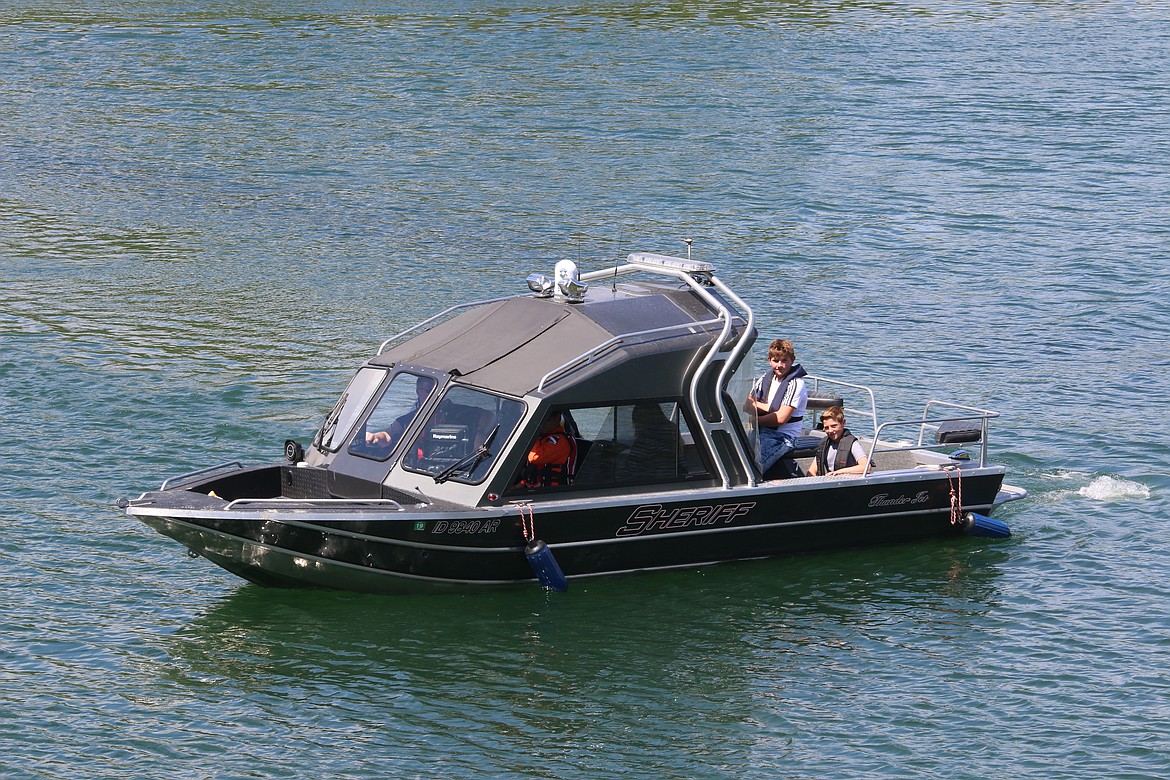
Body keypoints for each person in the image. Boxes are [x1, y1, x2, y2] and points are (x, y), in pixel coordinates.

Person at [744, 338, 808, 473]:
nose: (780, 365)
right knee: (735, 452)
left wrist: (755, 420)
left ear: (792, 360)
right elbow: (748, 403)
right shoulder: (765, 378)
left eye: (784, 361)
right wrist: (767, 408)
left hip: (783, 436)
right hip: (760, 430)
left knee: (752, 467)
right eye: (776, 361)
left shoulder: (795, 384)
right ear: (769, 360)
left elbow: (780, 418)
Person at [365, 375, 436, 448]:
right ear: (418, 392)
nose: (435, 395)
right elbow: (387, 436)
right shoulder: (407, 420)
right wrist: (375, 437)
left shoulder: (448, 414)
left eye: (438, 392)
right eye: (429, 390)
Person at [808, 406, 870, 477]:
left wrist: (839, 472)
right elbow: (811, 471)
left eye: (834, 426)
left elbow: (866, 467)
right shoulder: (824, 443)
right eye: (826, 428)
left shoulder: (852, 443)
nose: (830, 431)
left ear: (843, 423)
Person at [518, 412, 576, 488]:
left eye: (545, 419)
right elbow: (534, 470)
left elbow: (535, 457)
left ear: (557, 418)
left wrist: (533, 433)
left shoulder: (560, 441)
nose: (541, 423)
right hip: (536, 490)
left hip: (554, 493)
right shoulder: (543, 438)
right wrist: (519, 485)